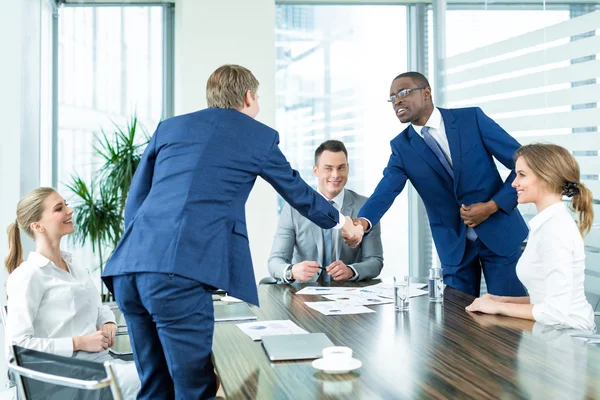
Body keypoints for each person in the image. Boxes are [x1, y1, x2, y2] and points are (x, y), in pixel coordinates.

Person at [101, 64, 363, 399]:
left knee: (155, 386)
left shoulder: (170, 128)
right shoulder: (257, 135)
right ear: (249, 96)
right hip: (177, 275)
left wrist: (144, 252)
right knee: (195, 389)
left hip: (128, 269)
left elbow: (135, 201)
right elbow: (299, 193)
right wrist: (345, 222)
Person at [350, 71, 528, 297]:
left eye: (404, 92)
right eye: (393, 97)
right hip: (454, 246)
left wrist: (492, 205)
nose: (398, 101)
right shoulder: (401, 147)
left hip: (500, 232)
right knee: (457, 322)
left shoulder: (471, 120)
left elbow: (523, 164)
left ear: (426, 92)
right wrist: (363, 223)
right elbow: (385, 191)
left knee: (507, 315)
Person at [4, 187, 140, 399]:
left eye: (65, 204)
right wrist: (79, 342)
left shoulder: (74, 265)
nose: (70, 211)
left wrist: (108, 323)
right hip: (67, 376)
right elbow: (18, 346)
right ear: (37, 225)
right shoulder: (28, 276)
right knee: (163, 377)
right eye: (59, 208)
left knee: (173, 370)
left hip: (100, 365)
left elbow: (98, 307)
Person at [466, 144, 595, 331]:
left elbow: (555, 312)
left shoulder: (555, 230)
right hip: (552, 331)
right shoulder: (545, 224)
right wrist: (500, 299)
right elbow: (544, 298)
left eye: (522, 175)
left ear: (546, 177)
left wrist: (498, 307)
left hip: (569, 336)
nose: (514, 183)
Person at [269, 140, 383, 283]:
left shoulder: (365, 207)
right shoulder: (293, 209)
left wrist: (351, 271)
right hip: (302, 294)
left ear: (348, 168)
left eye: (341, 168)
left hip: (348, 295)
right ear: (316, 171)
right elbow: (275, 261)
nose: (335, 175)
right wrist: (291, 271)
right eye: (328, 168)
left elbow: (375, 260)